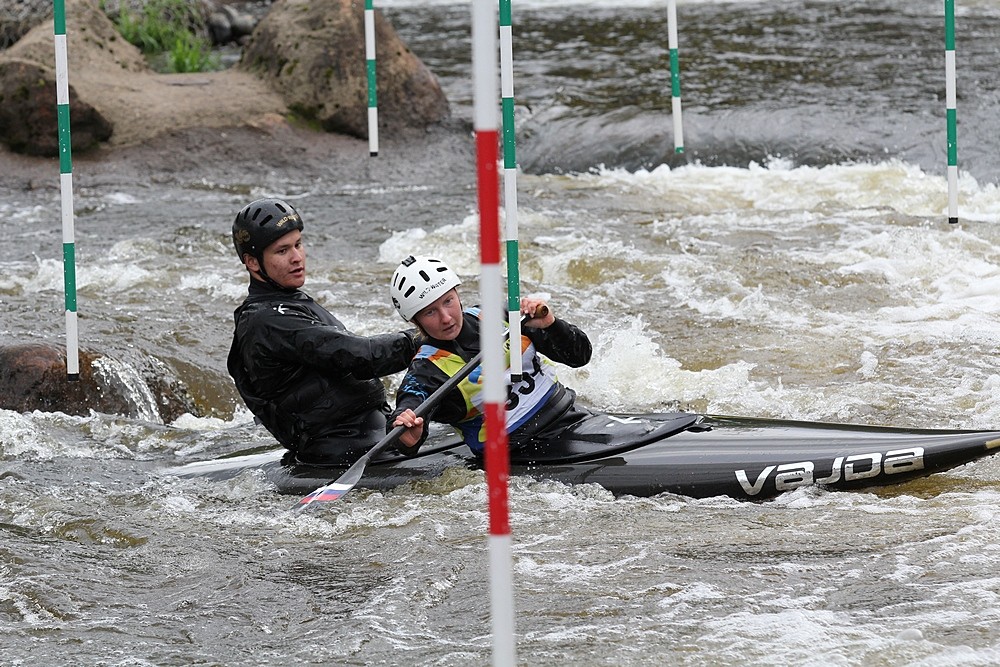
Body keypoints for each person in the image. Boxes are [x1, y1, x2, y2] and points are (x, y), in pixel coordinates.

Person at [227, 197, 420, 465]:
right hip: (342, 452)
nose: (297, 257)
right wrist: (425, 336)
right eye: (282, 251)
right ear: (252, 262)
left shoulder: (287, 302)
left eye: (298, 244)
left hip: (374, 432)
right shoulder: (268, 320)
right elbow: (361, 356)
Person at [387, 255, 593, 456]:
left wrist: (552, 325)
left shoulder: (500, 315)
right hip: (517, 449)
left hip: (569, 413)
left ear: (457, 295)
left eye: (448, 301)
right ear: (416, 321)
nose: (446, 318)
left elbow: (580, 356)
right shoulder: (426, 371)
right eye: (430, 312)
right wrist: (406, 435)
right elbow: (408, 411)